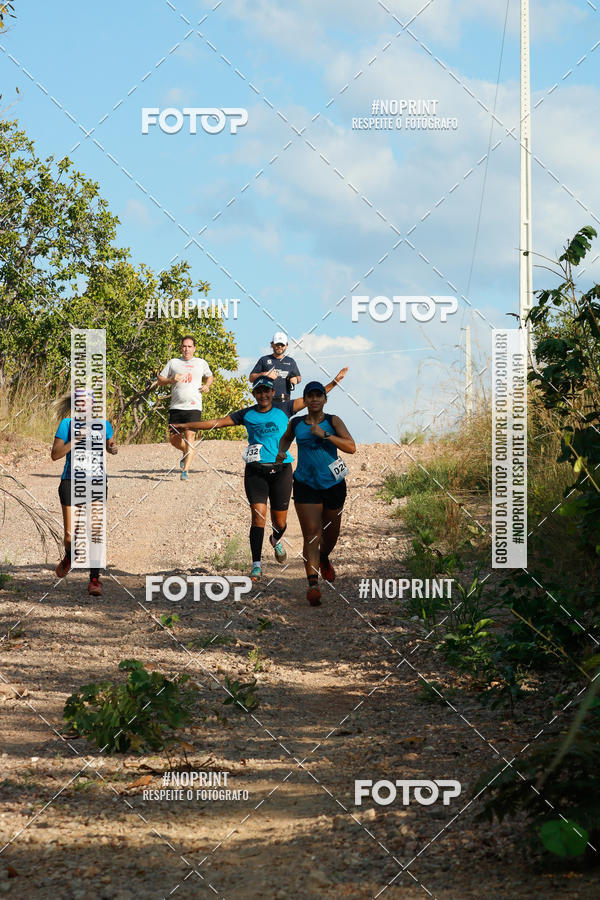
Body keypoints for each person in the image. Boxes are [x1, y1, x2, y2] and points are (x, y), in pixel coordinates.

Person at [185, 368, 348, 582]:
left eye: (266, 391)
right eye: (259, 392)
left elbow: (312, 399)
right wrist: (186, 425)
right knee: (258, 516)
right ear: (254, 394)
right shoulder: (246, 414)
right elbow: (217, 422)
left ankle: (276, 539)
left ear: (272, 393)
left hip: (281, 471)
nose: (263, 395)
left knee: (280, 524)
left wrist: (334, 382)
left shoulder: (285, 408)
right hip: (255, 471)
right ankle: (256, 565)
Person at [276, 381, 355, 606]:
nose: (314, 399)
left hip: (333, 483)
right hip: (305, 483)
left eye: (318, 395)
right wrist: (282, 451)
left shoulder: (333, 421)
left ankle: (323, 558)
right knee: (311, 534)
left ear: (324, 399)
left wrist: (325, 435)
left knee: (330, 536)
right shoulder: (296, 422)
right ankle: (312, 585)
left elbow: (351, 447)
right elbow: (287, 438)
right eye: (310, 396)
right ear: (306, 399)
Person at [51, 390, 118, 597]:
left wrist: (112, 448)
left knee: (95, 531)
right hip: (71, 481)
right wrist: (76, 441)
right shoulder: (67, 424)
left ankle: (94, 579)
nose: (84, 406)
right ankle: (70, 556)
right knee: (70, 535)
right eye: (80, 402)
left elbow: (109, 444)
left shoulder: (104, 424)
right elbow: (55, 455)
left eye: (88, 402)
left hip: (96, 482)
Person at [157, 335, 213, 481]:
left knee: (190, 436)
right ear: (181, 348)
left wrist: (207, 385)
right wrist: (171, 379)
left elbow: (210, 376)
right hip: (176, 406)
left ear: (194, 348)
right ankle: (186, 451)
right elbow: (160, 380)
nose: (186, 349)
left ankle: (185, 471)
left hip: (194, 406)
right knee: (174, 439)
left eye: (189, 346)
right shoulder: (173, 363)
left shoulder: (201, 363)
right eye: (184, 346)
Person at [250, 332, 301, 402]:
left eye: (282, 345)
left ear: (286, 345)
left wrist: (295, 380)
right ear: (272, 344)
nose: (279, 347)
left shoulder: (291, 361)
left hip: (285, 401)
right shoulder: (264, 360)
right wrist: (265, 374)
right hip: (267, 401)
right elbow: (251, 378)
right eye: (277, 344)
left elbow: (299, 377)